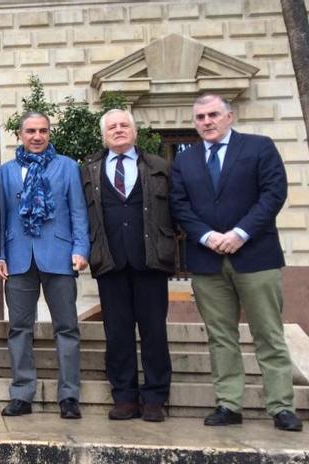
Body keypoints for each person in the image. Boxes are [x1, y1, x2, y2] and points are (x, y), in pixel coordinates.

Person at [170, 93, 302, 432]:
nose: (206, 122)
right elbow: (179, 205)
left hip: (255, 256)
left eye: (213, 114)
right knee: (220, 336)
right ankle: (229, 403)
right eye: (200, 117)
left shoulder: (259, 147)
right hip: (207, 260)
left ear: (230, 116)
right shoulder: (186, 159)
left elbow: (274, 193)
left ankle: (281, 406)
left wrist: (240, 233)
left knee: (268, 334)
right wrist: (206, 236)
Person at [81, 109, 174, 422]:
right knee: (117, 334)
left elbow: (176, 209)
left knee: (154, 332)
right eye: (111, 127)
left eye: (123, 125)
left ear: (134, 132)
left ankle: (155, 398)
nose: (118, 130)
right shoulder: (89, 170)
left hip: (150, 261)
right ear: (103, 134)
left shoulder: (158, 166)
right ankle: (124, 397)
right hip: (110, 262)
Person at [0, 111, 89, 420]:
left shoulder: (67, 167)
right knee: (19, 329)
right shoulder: (5, 172)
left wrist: (80, 248)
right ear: (20, 135)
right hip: (18, 258)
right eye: (31, 131)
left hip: (60, 256)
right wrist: (0, 254)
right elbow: (0, 217)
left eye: (43, 131)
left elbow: (78, 211)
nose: (37, 136)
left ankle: (69, 396)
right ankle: (22, 394)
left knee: (67, 328)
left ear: (50, 134)